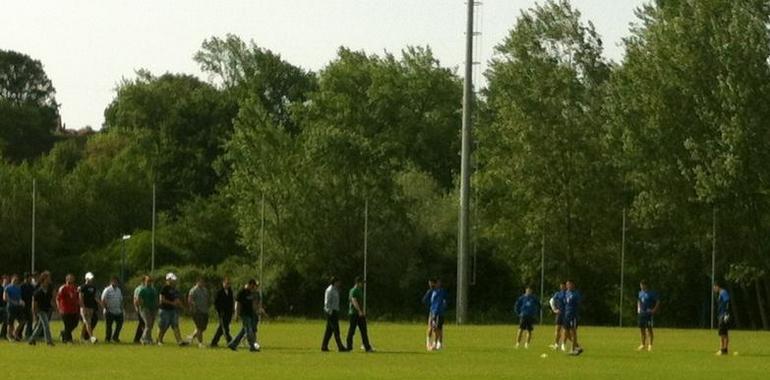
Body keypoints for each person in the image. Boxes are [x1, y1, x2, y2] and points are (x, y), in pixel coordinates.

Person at [228, 279, 260, 352]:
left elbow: (252, 303)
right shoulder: (241, 292)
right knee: (249, 330)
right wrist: (236, 314)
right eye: (253, 286)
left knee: (243, 331)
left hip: (250, 314)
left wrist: (256, 311)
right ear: (250, 284)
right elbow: (237, 304)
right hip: (244, 314)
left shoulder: (250, 292)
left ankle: (233, 344)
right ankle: (252, 346)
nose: (253, 288)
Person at [157, 273, 187, 346]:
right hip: (164, 310)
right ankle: (159, 341)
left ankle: (179, 341)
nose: (174, 281)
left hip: (173, 311)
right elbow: (161, 300)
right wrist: (172, 303)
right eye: (172, 280)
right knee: (163, 326)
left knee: (175, 325)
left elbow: (177, 300)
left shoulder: (174, 289)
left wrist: (183, 307)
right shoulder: (164, 288)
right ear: (168, 280)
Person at [346, 276, 373, 352]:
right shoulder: (353, 290)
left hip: (360, 314)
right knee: (352, 331)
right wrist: (359, 311)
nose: (363, 285)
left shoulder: (360, 290)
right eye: (361, 283)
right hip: (354, 314)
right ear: (358, 283)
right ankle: (349, 347)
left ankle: (367, 347)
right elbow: (354, 301)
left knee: (364, 330)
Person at [28, 271, 54, 346]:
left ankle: (32, 340)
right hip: (40, 310)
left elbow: (51, 299)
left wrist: (53, 306)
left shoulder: (49, 289)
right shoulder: (38, 291)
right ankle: (49, 342)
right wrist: (34, 313)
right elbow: (34, 302)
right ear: (44, 279)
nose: (49, 279)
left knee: (40, 326)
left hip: (47, 309)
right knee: (46, 325)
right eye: (48, 278)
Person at [322, 277, 347, 352]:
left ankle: (324, 346)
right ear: (334, 282)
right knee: (336, 330)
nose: (339, 283)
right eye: (338, 282)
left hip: (335, 311)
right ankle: (340, 347)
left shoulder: (335, 290)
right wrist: (330, 312)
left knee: (329, 330)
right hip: (331, 312)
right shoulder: (329, 290)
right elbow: (327, 302)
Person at [211, 276, 234, 347]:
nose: (227, 285)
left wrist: (232, 310)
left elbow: (231, 301)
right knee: (225, 328)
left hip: (229, 313)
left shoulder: (230, 291)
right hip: (222, 313)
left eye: (229, 283)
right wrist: (219, 311)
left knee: (221, 328)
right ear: (223, 283)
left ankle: (214, 342)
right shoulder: (219, 292)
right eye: (226, 283)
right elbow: (215, 303)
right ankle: (230, 342)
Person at [55, 274, 79, 343]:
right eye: (70, 278)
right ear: (67, 279)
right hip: (65, 310)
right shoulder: (63, 288)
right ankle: (68, 340)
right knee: (67, 325)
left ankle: (64, 333)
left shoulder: (74, 288)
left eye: (73, 278)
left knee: (75, 324)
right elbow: (58, 298)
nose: (72, 279)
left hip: (73, 310)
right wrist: (58, 307)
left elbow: (76, 298)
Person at [637, 280, 660, 351]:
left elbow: (658, 301)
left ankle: (650, 345)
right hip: (641, 313)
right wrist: (638, 309)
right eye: (640, 285)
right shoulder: (640, 293)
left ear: (645, 285)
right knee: (641, 329)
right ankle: (643, 344)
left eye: (642, 285)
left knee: (649, 329)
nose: (641, 286)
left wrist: (654, 310)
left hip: (648, 314)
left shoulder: (651, 293)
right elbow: (639, 301)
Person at [187, 278, 210, 347]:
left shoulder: (205, 290)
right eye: (200, 282)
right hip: (197, 311)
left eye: (203, 282)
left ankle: (192, 337)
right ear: (197, 282)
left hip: (205, 311)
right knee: (199, 327)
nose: (202, 283)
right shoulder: (193, 290)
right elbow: (190, 299)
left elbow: (207, 299)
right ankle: (200, 343)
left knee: (203, 327)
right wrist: (194, 306)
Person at [563, 280, 583, 356]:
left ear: (573, 285)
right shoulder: (566, 293)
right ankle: (577, 346)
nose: (568, 286)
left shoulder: (576, 294)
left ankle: (573, 349)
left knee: (573, 332)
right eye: (567, 284)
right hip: (566, 315)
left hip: (573, 316)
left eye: (570, 284)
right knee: (566, 333)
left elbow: (578, 304)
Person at [79, 272, 100, 343]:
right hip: (84, 307)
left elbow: (94, 297)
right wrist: (83, 307)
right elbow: (81, 297)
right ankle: (92, 337)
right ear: (86, 278)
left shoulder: (93, 288)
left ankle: (81, 337)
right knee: (88, 322)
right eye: (89, 278)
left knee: (86, 323)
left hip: (91, 308)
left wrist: (100, 304)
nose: (91, 280)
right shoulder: (82, 287)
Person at [102, 276, 124, 343]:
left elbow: (121, 300)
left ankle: (115, 337)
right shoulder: (107, 290)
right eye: (114, 281)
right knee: (109, 326)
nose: (115, 282)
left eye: (116, 281)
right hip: (109, 311)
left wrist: (122, 309)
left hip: (118, 311)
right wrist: (106, 308)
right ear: (111, 282)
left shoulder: (119, 290)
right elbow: (103, 299)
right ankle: (107, 339)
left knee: (119, 325)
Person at [136, 276, 158, 345]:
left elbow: (155, 299)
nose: (149, 282)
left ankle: (149, 339)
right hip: (145, 309)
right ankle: (143, 338)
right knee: (148, 324)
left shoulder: (153, 290)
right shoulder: (142, 290)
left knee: (151, 325)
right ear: (144, 282)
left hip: (152, 309)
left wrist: (156, 306)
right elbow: (138, 299)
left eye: (150, 281)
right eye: (148, 281)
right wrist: (141, 306)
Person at [4, 275, 25, 341]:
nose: (16, 281)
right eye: (14, 280)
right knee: (10, 322)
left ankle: (15, 333)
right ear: (12, 280)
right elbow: (5, 298)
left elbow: (19, 297)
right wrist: (13, 302)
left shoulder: (18, 288)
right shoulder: (8, 287)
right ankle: (9, 336)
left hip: (18, 307)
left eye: (17, 280)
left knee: (22, 321)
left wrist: (21, 302)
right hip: (11, 307)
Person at [429, 279, 448, 351]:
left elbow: (439, 303)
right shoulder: (434, 292)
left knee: (437, 328)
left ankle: (436, 344)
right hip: (434, 312)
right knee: (436, 328)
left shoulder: (440, 292)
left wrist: (435, 313)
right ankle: (438, 344)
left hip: (438, 313)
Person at [548, 282, 568, 351]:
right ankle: (556, 344)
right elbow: (551, 301)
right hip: (559, 314)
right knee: (557, 329)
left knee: (565, 330)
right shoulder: (558, 294)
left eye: (563, 286)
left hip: (567, 314)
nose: (562, 287)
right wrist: (554, 309)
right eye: (561, 286)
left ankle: (563, 345)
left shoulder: (568, 294)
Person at [714, 282, 732, 356]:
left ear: (718, 286)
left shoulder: (723, 292)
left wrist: (726, 313)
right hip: (721, 314)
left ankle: (722, 349)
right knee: (723, 333)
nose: (714, 289)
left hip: (723, 315)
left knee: (722, 333)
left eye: (714, 287)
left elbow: (727, 302)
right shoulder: (721, 293)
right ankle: (724, 350)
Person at [421, 279, 436, 350]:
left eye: (431, 283)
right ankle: (428, 344)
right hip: (432, 311)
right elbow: (424, 300)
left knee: (436, 328)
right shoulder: (430, 291)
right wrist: (430, 305)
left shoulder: (438, 291)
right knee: (430, 327)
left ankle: (434, 343)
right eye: (429, 283)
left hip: (437, 311)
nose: (430, 285)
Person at [20, 273, 35, 339]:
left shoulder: (31, 286)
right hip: (23, 305)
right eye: (29, 278)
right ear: (26, 278)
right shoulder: (21, 286)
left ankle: (29, 334)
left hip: (29, 305)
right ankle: (19, 333)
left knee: (30, 320)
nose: (30, 279)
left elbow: (33, 294)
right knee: (23, 320)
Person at [132, 276, 147, 344]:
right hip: (140, 309)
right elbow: (135, 299)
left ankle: (139, 338)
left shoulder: (146, 288)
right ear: (143, 281)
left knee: (142, 324)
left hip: (146, 309)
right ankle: (141, 338)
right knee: (143, 323)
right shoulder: (139, 289)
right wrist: (136, 308)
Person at [0, 275, 7, 340]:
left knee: (5, 320)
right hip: (2, 307)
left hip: (3, 307)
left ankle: (3, 334)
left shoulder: (2, 288)